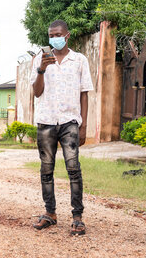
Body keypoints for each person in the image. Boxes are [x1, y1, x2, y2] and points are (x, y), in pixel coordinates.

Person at [30, 20, 93, 235]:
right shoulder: (39, 59)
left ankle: (77, 217)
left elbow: (85, 93)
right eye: (51, 34)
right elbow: (37, 92)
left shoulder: (79, 60)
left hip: (70, 122)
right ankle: (50, 213)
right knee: (46, 169)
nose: (54, 38)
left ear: (67, 36)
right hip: (46, 121)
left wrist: (83, 125)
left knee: (73, 169)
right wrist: (41, 70)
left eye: (58, 34)